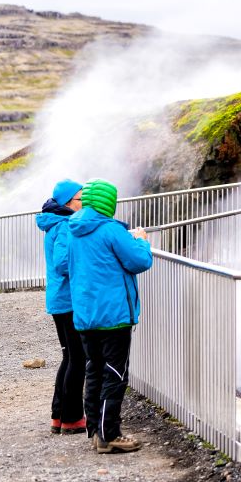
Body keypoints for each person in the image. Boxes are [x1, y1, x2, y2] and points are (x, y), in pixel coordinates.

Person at [66, 178, 152, 454]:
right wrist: (141, 241)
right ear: (108, 202)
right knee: (115, 374)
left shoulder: (73, 228)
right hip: (113, 316)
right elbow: (139, 262)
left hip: (85, 314)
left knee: (94, 371)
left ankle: (95, 430)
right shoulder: (111, 230)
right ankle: (108, 434)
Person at [35, 178, 87, 435]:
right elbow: (62, 264)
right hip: (68, 300)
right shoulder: (65, 226)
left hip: (59, 300)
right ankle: (73, 417)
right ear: (68, 202)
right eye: (81, 199)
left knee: (69, 356)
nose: (83, 203)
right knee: (78, 357)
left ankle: (59, 415)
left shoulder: (55, 223)